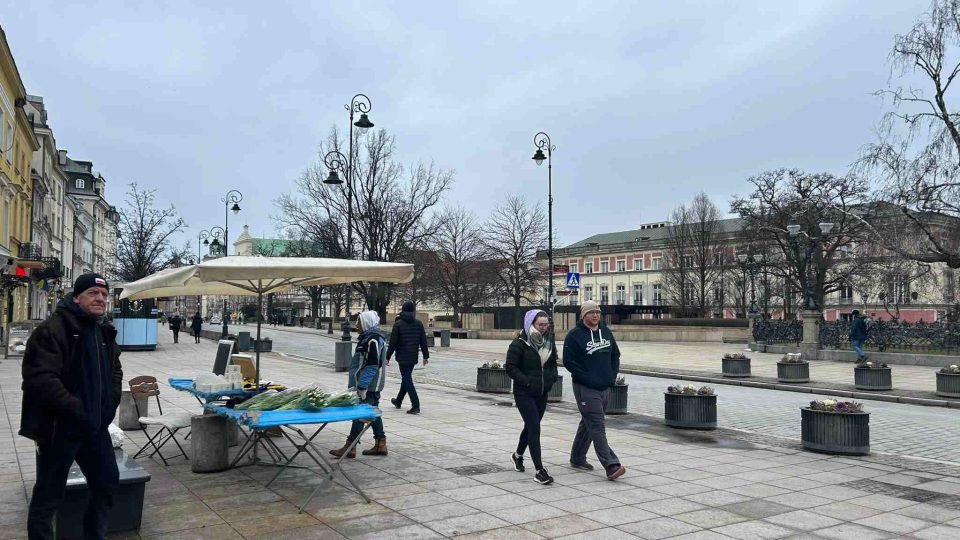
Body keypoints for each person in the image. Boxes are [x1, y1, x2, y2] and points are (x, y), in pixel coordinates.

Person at [21, 273, 123, 539]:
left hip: (95, 428)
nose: (100, 298)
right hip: (60, 429)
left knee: (106, 484)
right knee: (48, 495)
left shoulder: (103, 330)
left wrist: (110, 401)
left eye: (104, 294)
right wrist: (76, 409)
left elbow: (115, 369)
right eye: (93, 293)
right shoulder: (53, 329)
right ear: (76, 297)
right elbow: (40, 379)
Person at [563, 300, 626, 481]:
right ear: (584, 315)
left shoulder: (605, 332)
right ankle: (611, 465)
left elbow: (615, 355)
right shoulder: (574, 336)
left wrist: (611, 376)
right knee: (597, 425)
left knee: (588, 422)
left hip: (604, 386)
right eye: (591, 312)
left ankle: (577, 458)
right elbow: (569, 361)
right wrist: (586, 377)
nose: (595, 315)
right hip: (585, 387)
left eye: (597, 312)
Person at [505, 309, 558, 485]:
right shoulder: (519, 344)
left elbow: (553, 363)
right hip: (524, 392)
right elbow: (510, 367)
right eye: (540, 324)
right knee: (535, 427)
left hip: (541, 392)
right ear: (531, 324)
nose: (543, 328)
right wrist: (526, 381)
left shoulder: (549, 342)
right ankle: (539, 470)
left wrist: (551, 378)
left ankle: (517, 455)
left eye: (546, 324)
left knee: (530, 427)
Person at [331, 310, 388, 458]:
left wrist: (362, 386)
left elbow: (372, 365)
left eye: (359, 321)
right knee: (372, 412)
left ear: (367, 323)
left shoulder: (372, 339)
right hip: (369, 384)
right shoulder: (369, 338)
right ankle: (380, 443)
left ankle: (350, 446)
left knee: (360, 414)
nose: (356, 324)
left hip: (369, 385)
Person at [387, 302, 430, 414]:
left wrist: (387, 356)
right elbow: (423, 341)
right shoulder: (419, 324)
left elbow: (393, 343)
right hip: (413, 356)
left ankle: (415, 405)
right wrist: (425, 356)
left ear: (403, 310)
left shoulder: (398, 324)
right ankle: (398, 401)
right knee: (406, 378)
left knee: (407, 379)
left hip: (402, 356)